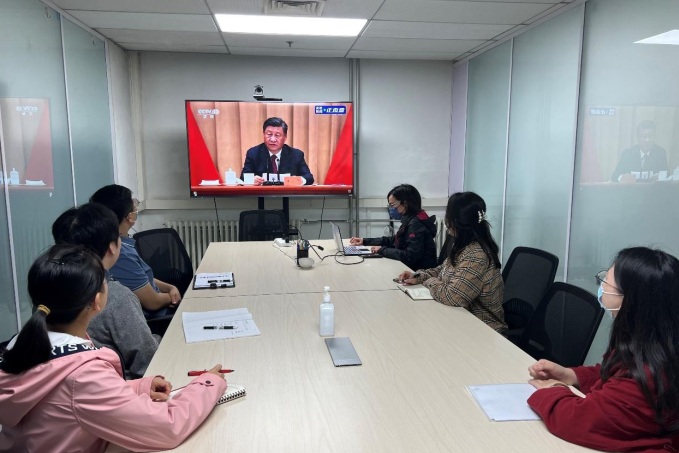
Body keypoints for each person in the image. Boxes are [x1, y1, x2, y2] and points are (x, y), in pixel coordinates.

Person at [0, 244, 226, 453]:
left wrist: (137, 388)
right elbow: (167, 427)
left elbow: (67, 399)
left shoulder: (23, 344)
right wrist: (207, 383)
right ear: (97, 302)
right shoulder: (83, 376)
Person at [527, 247, 679, 452]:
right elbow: (614, 375)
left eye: (606, 282)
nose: (602, 287)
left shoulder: (648, 375)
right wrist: (570, 375)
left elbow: (579, 420)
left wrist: (553, 389)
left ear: (631, 301)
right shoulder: (655, 344)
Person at [52, 202, 159, 378]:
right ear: (111, 247)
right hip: (120, 386)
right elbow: (148, 363)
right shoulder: (116, 296)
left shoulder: (48, 288)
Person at [398, 192, 506, 333]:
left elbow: (453, 297)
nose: (447, 220)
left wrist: (429, 281)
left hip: (483, 330)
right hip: (460, 321)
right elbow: (442, 270)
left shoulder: (477, 254)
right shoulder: (464, 246)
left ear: (456, 220)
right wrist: (418, 276)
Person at [90, 184, 180, 318]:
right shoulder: (119, 254)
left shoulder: (119, 244)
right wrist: (172, 297)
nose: (135, 205)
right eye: (133, 204)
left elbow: (140, 278)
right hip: (156, 317)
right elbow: (153, 302)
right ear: (129, 217)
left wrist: (170, 288)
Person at [350, 184, 437, 270]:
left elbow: (409, 256)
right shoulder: (410, 219)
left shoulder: (415, 224)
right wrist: (364, 241)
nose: (390, 209)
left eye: (392, 205)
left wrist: (382, 250)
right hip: (411, 269)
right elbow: (394, 240)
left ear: (405, 203)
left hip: (419, 273)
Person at [240, 117, 314, 185]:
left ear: (285, 137)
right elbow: (243, 177)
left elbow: (309, 178)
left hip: (288, 194)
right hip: (261, 194)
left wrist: (297, 180)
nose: (272, 139)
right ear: (264, 134)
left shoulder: (296, 155)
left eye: (277, 135)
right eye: (269, 134)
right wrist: (251, 179)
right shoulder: (253, 153)